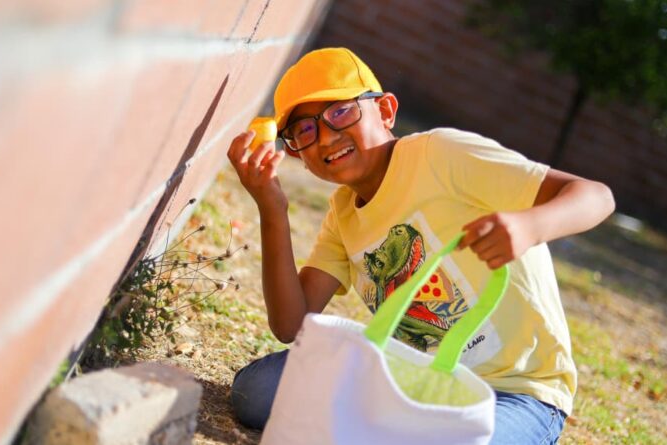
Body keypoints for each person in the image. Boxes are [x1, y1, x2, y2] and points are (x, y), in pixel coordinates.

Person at [226, 47, 615, 444]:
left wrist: (530, 226)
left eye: (340, 111)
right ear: (296, 152)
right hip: (412, 377)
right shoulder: (343, 215)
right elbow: (291, 323)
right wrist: (272, 208)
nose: (326, 137)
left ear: (386, 110)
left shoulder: (442, 154)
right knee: (256, 392)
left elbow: (596, 196)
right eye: (304, 131)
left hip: (516, 394)